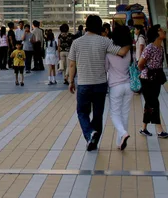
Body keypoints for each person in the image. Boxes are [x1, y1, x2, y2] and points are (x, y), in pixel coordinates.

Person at [68, 15, 132, 151]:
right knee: (98, 114)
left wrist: (70, 81)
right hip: (100, 84)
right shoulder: (105, 41)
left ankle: (90, 134)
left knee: (82, 112)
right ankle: (93, 141)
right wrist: (129, 41)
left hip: (84, 83)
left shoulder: (76, 42)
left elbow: (72, 64)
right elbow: (121, 52)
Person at [106, 25, 134, 150]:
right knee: (125, 113)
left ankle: (123, 134)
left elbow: (106, 68)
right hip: (128, 85)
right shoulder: (128, 50)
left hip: (115, 86)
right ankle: (119, 142)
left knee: (115, 114)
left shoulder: (110, 52)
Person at [138, 25, 168, 138]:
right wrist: (146, 72)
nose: (163, 31)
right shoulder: (149, 47)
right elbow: (140, 64)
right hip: (147, 79)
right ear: (156, 34)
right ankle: (160, 130)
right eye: (160, 30)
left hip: (156, 78)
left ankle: (143, 128)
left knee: (149, 102)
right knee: (154, 102)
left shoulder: (161, 47)